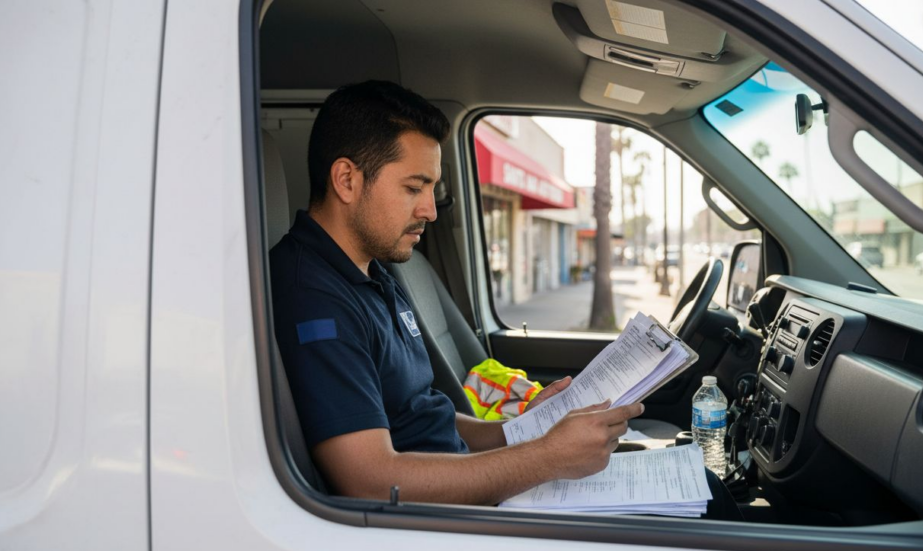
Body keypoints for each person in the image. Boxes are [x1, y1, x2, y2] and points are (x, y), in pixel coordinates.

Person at [270, 80, 740, 518]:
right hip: (435, 523)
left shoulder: (373, 269)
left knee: (702, 486)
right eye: (414, 188)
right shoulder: (313, 297)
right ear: (347, 180)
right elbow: (371, 484)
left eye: (431, 188)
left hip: (462, 490)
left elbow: (420, 416)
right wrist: (544, 457)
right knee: (709, 502)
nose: (430, 210)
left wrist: (521, 430)